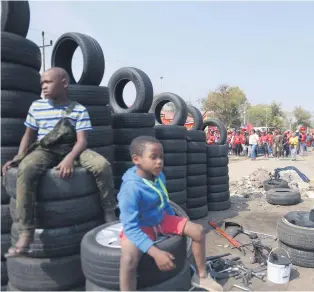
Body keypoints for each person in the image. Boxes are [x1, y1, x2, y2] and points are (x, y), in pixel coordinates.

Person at [2, 67, 117, 257]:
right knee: (26, 169)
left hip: (73, 148)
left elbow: (82, 141)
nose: (43, 87)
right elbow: (28, 136)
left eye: (48, 82)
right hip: (45, 149)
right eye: (42, 84)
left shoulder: (78, 109)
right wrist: (17, 159)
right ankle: (25, 230)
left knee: (102, 165)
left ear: (64, 83)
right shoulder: (36, 107)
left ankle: (109, 210)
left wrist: (69, 159)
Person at [117, 136, 223, 291]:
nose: (159, 161)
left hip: (160, 220)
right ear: (136, 159)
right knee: (128, 260)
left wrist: (177, 223)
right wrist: (155, 252)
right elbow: (130, 228)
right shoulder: (130, 189)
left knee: (198, 231)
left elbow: (164, 202)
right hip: (141, 226)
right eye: (153, 157)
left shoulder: (159, 176)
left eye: (161, 157)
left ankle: (201, 277)